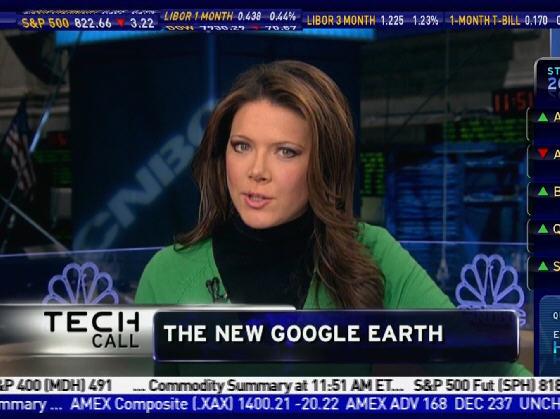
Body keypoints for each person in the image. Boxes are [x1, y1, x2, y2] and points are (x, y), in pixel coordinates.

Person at [135, 60, 530, 376]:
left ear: (324, 164)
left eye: (285, 151)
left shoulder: (371, 253)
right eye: (241, 146)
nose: (256, 171)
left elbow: (492, 371)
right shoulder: (167, 274)